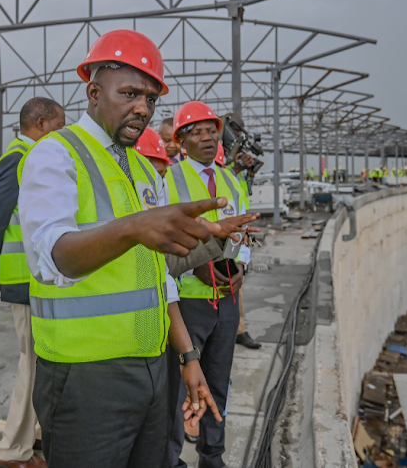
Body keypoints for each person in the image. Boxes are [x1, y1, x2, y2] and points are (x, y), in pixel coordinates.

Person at [18, 29, 225, 468]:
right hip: (86, 378)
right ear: (93, 92)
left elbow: (158, 274)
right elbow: (50, 257)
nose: (142, 109)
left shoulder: (141, 168)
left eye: (150, 99)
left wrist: (188, 356)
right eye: (130, 93)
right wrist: (133, 227)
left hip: (152, 368)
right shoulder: (56, 155)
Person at [165, 101, 259, 468]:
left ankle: (212, 456)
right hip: (189, 301)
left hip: (227, 299)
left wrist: (242, 269)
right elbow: (165, 240)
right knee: (179, 388)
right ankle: (171, 458)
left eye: (211, 130)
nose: (207, 137)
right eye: (197, 131)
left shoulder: (231, 180)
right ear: (182, 139)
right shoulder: (169, 180)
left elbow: (247, 230)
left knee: (219, 380)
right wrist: (194, 268)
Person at [0, 98, 65, 468]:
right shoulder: (19, 158)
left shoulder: (32, 158)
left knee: (40, 360)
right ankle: (11, 451)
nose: (62, 134)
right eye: (59, 126)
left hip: (35, 278)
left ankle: (33, 434)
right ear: (41, 124)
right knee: (32, 362)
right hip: (24, 279)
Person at [221, 112, 261, 351]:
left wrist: (250, 172)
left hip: (240, 225)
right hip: (226, 226)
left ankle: (238, 328)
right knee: (228, 278)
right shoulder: (219, 160)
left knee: (237, 277)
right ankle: (237, 329)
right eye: (235, 131)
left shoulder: (232, 165)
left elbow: (242, 190)